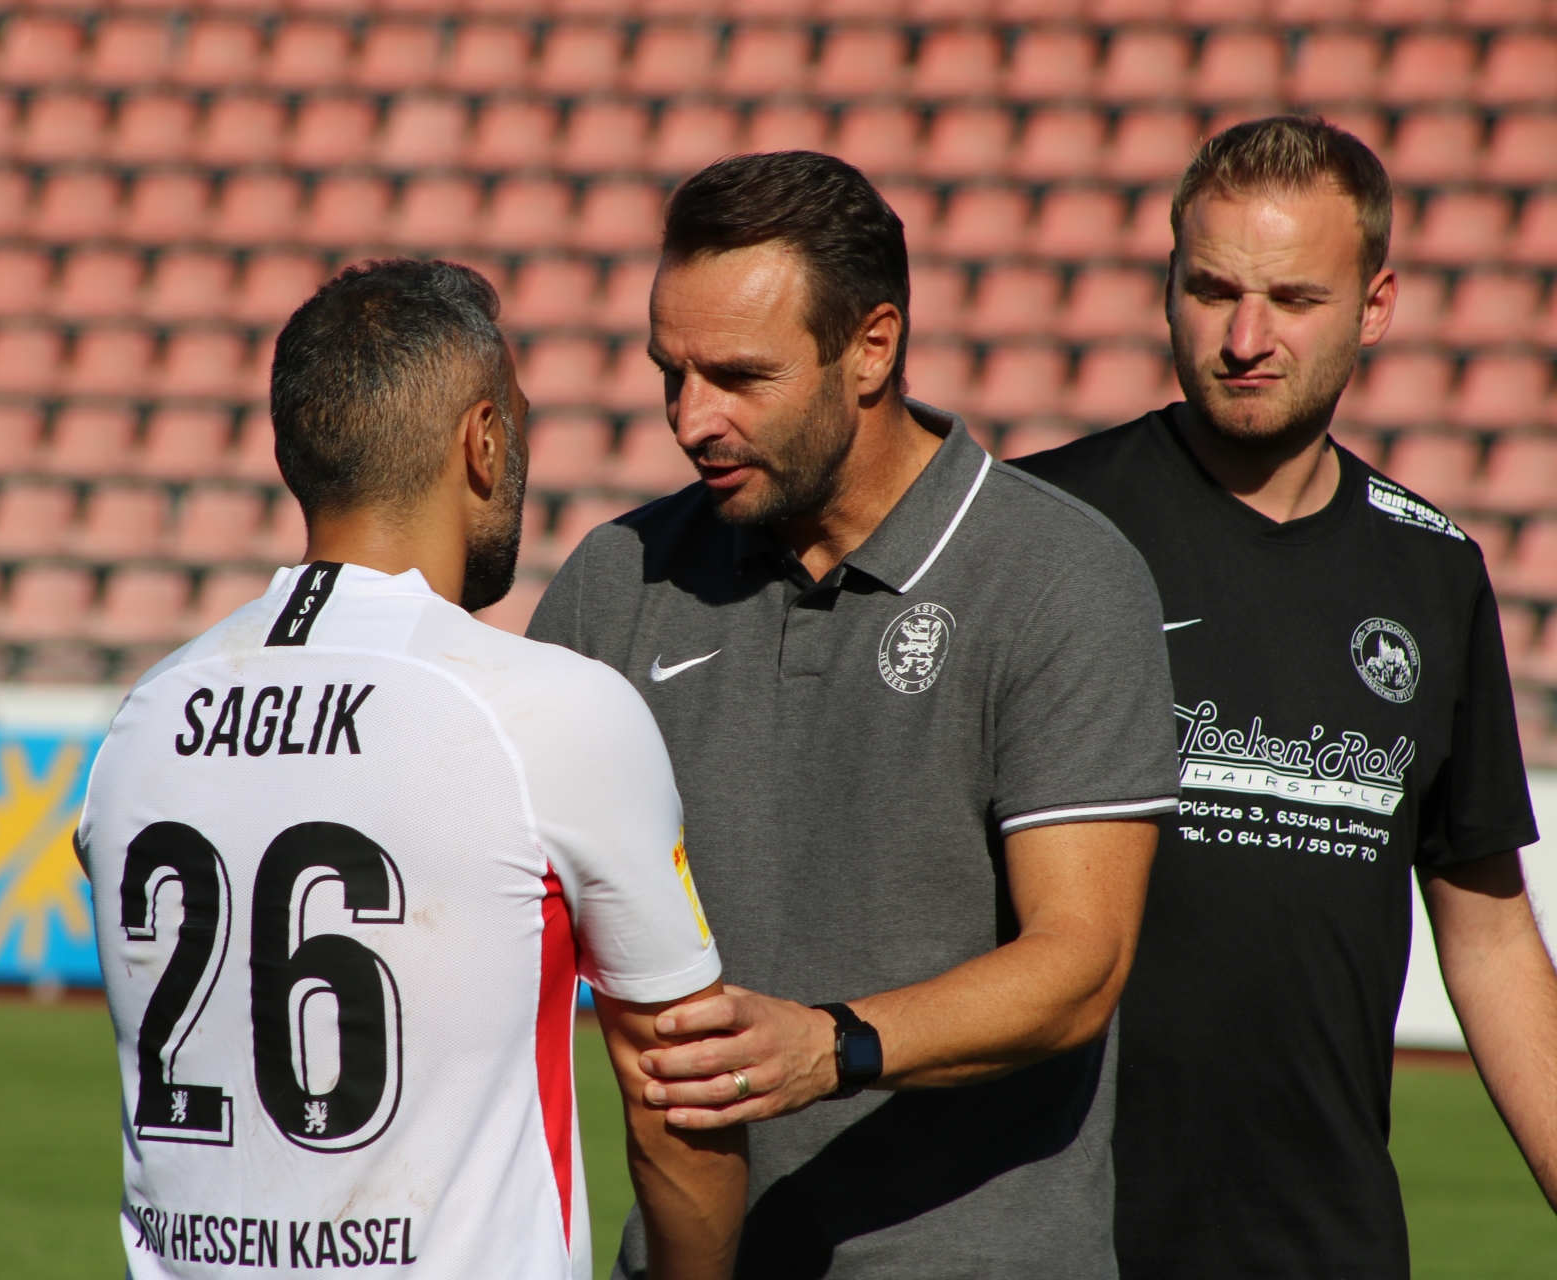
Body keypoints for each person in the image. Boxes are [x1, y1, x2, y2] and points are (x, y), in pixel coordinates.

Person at [528, 150, 1180, 1278]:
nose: (691, 418)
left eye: (740, 376)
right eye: (671, 373)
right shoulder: (615, 582)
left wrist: (832, 1044)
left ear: (872, 347)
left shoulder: (1060, 577)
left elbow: (1080, 960)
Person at [78, 259, 746, 1280]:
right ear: (483, 441)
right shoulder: (551, 711)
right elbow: (680, 1094)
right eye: (518, 426)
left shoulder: (144, 717)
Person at [1014, 116, 1557, 1278]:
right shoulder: (1037, 534)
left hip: (1325, 1245)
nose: (1245, 338)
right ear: (1167, 284)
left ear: (1375, 304)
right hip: (1061, 1241)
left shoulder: (1434, 571)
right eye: (1212, 290)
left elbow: (1489, 930)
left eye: (1295, 300)